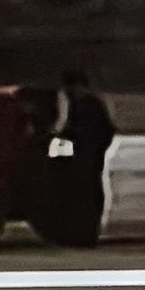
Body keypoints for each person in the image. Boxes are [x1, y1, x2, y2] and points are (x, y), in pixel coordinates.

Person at [40, 71, 117, 246]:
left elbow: (98, 132)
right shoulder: (85, 104)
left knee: (85, 195)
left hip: (86, 158)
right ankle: (81, 233)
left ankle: (83, 234)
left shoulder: (86, 105)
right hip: (85, 158)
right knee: (84, 195)